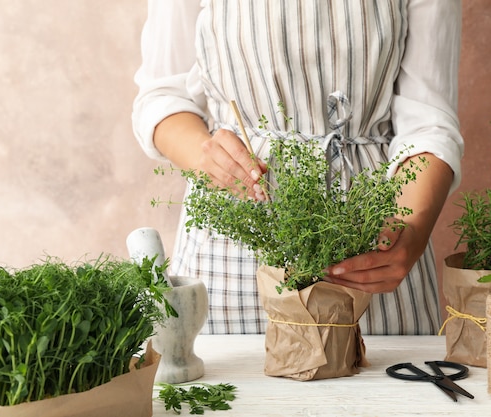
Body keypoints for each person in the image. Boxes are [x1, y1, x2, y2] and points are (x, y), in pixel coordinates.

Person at [132, 0, 464, 335]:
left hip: (370, 256)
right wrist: (204, 157)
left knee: (380, 382)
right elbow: (162, 95)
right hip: (231, 252)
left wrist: (411, 226)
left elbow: (429, 122)